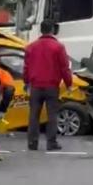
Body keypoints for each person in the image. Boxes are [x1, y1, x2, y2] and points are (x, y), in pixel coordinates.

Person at [23, 20, 72, 151]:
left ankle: (32, 143)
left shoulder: (31, 47)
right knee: (52, 115)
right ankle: (51, 143)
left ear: (41, 30)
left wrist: (26, 82)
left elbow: (26, 67)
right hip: (52, 86)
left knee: (33, 115)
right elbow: (64, 68)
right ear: (52, 30)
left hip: (36, 86)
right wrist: (69, 84)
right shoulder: (58, 47)